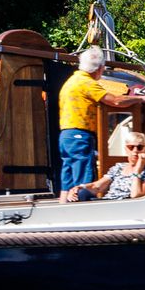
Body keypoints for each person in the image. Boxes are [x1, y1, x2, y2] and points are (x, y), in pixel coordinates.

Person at [57, 47, 119, 193]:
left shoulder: (71, 81)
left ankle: (64, 209)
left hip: (66, 136)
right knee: (83, 182)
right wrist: (141, 98)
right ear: (99, 68)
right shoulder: (87, 83)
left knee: (68, 181)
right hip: (80, 136)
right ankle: (83, 210)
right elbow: (115, 101)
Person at [63, 131, 145, 202]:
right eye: (131, 147)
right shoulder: (118, 167)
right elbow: (97, 186)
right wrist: (78, 187)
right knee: (79, 194)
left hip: (126, 206)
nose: (135, 151)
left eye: (139, 147)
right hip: (109, 203)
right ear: (126, 149)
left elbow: (136, 196)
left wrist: (138, 169)